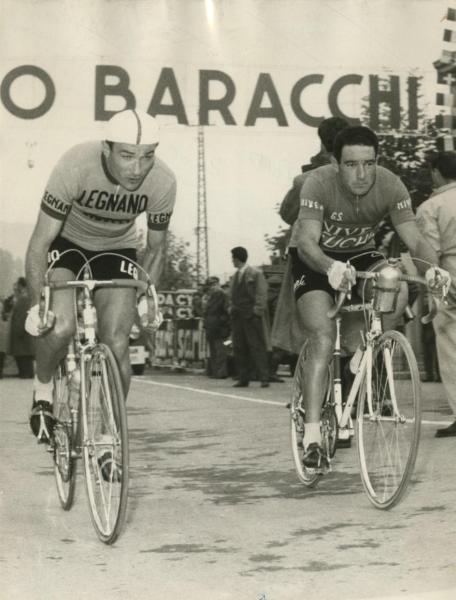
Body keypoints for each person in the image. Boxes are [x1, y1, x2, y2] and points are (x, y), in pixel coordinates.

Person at [290, 125, 449, 469]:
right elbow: (306, 241)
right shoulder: (318, 182)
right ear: (335, 163)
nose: (361, 174)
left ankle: (362, 354)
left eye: (369, 163)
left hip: (361, 254)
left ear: (377, 160)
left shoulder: (390, 183)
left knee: (398, 288)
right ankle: (313, 436)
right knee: (321, 336)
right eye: (350, 165)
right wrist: (330, 266)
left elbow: (416, 239)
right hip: (316, 259)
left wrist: (433, 269)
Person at [25, 108, 176, 445]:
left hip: (117, 250)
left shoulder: (163, 181)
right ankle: (43, 389)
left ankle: (109, 434)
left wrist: (145, 300)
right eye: (127, 156)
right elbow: (39, 242)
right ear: (106, 150)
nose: (137, 169)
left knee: (117, 340)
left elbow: (156, 249)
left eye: (147, 156)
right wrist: (37, 307)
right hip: (67, 244)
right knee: (61, 325)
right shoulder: (75, 165)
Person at [272, 117, 349, 359]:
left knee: (303, 325)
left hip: (310, 253)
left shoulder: (308, 177)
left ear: (322, 142)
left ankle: (307, 392)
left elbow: (287, 212)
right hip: (350, 251)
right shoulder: (361, 172)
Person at [416, 151, 456, 437]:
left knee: (451, 349)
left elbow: (431, 255)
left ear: (437, 173)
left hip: (449, 274)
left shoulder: (431, 207)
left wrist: (437, 294)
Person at [229, 246, 270, 388]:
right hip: (238, 316)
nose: (232, 261)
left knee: (257, 346)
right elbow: (232, 296)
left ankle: (264, 377)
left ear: (237, 258)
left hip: (251, 316)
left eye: (233, 258)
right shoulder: (235, 276)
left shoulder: (255, 273)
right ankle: (243, 377)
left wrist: (257, 311)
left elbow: (261, 293)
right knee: (239, 347)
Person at [203, 276, 230, 379]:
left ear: (218, 284)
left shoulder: (223, 295)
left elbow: (226, 311)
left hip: (219, 327)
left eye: (214, 284)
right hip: (211, 326)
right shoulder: (209, 296)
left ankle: (221, 372)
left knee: (220, 351)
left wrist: (222, 322)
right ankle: (215, 372)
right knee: (213, 350)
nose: (212, 287)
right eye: (210, 285)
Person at [9, 277, 35, 378]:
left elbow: (20, 317)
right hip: (25, 335)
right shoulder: (27, 298)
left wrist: (18, 331)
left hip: (21, 336)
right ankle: (27, 374)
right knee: (26, 357)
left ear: (21, 285)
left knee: (23, 357)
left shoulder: (23, 299)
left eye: (17, 285)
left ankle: (25, 374)